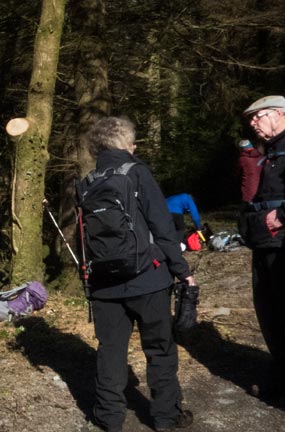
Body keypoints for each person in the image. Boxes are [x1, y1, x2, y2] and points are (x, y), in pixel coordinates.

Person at [82, 116, 196, 432]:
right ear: (127, 144)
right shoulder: (137, 173)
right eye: (133, 142)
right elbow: (162, 226)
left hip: (104, 284)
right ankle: (165, 416)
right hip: (148, 277)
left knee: (110, 350)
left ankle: (108, 417)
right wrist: (182, 271)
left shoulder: (87, 183)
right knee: (159, 348)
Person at [240, 95, 285, 399]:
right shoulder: (269, 150)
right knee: (269, 313)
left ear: (282, 114)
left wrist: (282, 217)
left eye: (260, 116)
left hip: (283, 244)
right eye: (251, 119)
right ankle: (280, 378)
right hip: (264, 242)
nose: (253, 123)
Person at [237, 139, 263, 204]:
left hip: (249, 191)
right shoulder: (261, 157)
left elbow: (238, 173)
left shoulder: (242, 159)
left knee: (250, 211)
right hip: (263, 189)